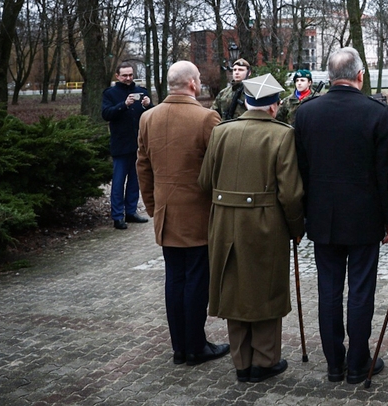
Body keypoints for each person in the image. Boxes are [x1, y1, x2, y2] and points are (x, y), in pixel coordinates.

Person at [293, 47, 388, 384]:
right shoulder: (377, 113)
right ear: (360, 76)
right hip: (364, 217)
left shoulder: (307, 112)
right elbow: (384, 173)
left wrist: (305, 212)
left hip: (322, 215)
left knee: (329, 290)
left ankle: (334, 363)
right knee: (361, 291)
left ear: (327, 76)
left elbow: (301, 170)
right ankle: (357, 363)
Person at [198, 73, 305, 383]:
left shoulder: (221, 131)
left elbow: (205, 181)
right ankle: (266, 360)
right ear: (274, 106)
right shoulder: (282, 135)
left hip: (224, 222)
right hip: (265, 222)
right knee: (266, 289)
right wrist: (296, 228)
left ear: (246, 102)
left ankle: (242, 362)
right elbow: (291, 193)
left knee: (233, 288)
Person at [136, 61, 228, 366]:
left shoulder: (148, 118)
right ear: (191, 84)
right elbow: (220, 168)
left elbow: (143, 167)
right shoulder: (206, 118)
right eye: (199, 79)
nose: (200, 83)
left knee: (174, 280)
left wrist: (152, 206)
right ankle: (195, 347)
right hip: (199, 215)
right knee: (196, 281)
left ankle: (180, 347)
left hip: (166, 214)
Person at [101, 62, 152, 230]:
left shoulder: (142, 92)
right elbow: (106, 114)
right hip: (120, 145)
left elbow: (151, 116)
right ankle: (117, 216)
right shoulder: (110, 94)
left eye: (130, 75)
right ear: (117, 76)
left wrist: (148, 106)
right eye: (124, 75)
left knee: (135, 181)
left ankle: (131, 212)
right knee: (118, 182)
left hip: (138, 144)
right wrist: (124, 105)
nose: (128, 78)